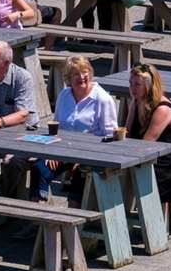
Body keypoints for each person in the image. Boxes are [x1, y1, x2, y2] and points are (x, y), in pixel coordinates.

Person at [33, 56, 117, 202]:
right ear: (68, 77)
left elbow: (110, 136)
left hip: (90, 152)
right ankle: (37, 212)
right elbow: (56, 127)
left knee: (81, 173)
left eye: (84, 72)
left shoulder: (102, 99)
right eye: (76, 74)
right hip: (64, 150)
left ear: (90, 73)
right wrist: (51, 153)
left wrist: (83, 158)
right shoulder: (64, 95)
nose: (81, 77)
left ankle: (75, 215)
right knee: (39, 167)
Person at [125, 63, 171, 201]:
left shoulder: (162, 109)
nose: (132, 88)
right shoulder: (136, 102)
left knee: (117, 175)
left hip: (163, 161)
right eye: (130, 83)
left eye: (137, 84)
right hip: (141, 155)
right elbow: (128, 132)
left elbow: (146, 144)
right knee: (101, 173)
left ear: (149, 86)